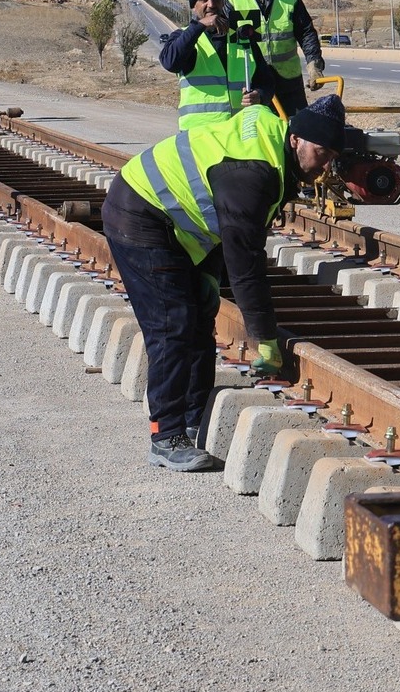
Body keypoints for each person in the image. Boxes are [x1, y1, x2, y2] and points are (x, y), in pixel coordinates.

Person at [102, 96, 347, 471]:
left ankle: (193, 417)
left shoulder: (272, 140)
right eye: (320, 151)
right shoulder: (253, 173)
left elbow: (224, 222)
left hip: (174, 222)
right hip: (139, 212)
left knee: (201, 313)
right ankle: (165, 437)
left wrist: (209, 278)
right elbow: (245, 261)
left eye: (331, 155)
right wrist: (263, 337)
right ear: (295, 138)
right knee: (173, 323)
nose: (325, 163)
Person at [160, 0, 278, 126]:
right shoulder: (184, 37)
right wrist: (200, 26)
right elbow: (171, 62)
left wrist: (259, 94)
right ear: (194, 5)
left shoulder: (241, 35)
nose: (211, 4)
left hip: (239, 132)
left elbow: (266, 80)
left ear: (223, 0)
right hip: (200, 137)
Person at [227, 0, 324, 114]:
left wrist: (314, 65)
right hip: (251, 83)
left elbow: (306, 32)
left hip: (288, 83)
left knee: (295, 134)